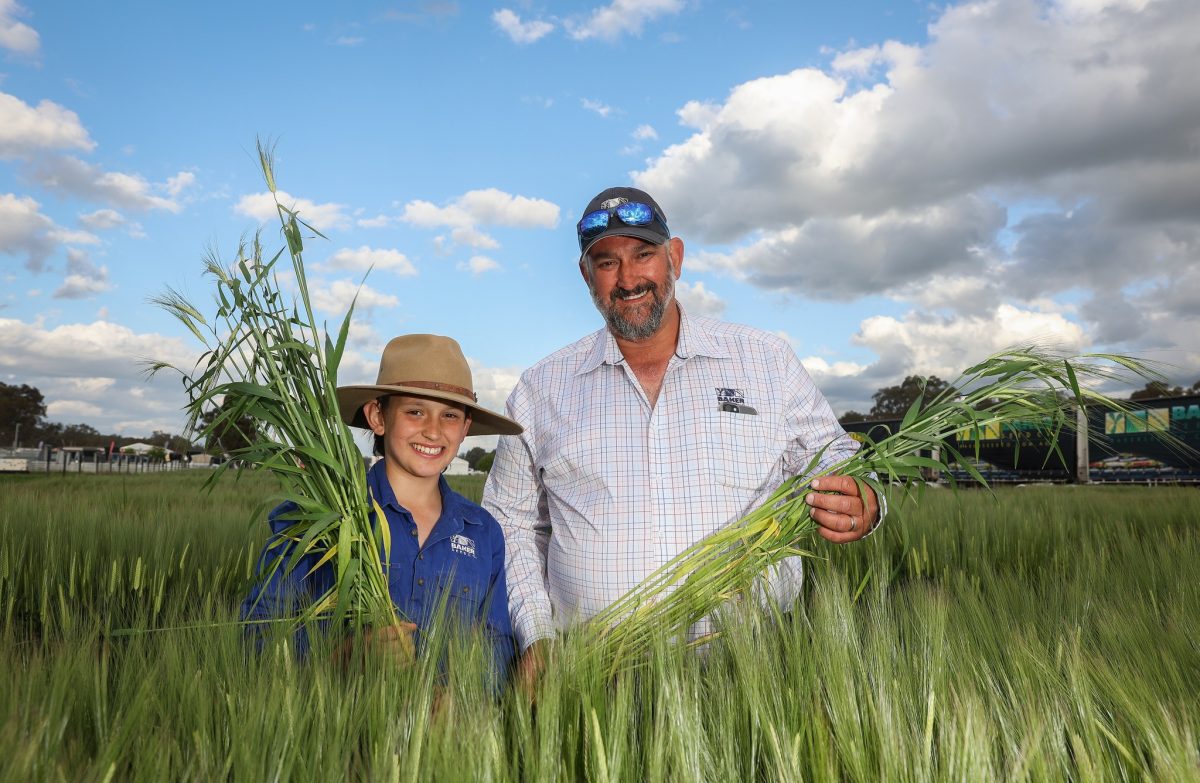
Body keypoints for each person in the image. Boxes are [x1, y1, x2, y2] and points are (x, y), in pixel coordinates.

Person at [482, 186, 881, 688]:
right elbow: (512, 523)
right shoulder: (540, 389)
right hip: (594, 677)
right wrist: (537, 636)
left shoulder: (766, 361)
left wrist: (864, 500)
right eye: (606, 263)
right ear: (586, 276)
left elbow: (837, 457)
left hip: (752, 672)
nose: (627, 279)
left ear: (675, 257)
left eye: (643, 255)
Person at [241, 334, 523, 680]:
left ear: (465, 427)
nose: (433, 431)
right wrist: (343, 659)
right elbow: (257, 635)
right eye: (415, 412)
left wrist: (458, 699)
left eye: (449, 415)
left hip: (450, 732)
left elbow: (497, 643)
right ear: (377, 416)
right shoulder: (319, 515)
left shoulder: (482, 532)